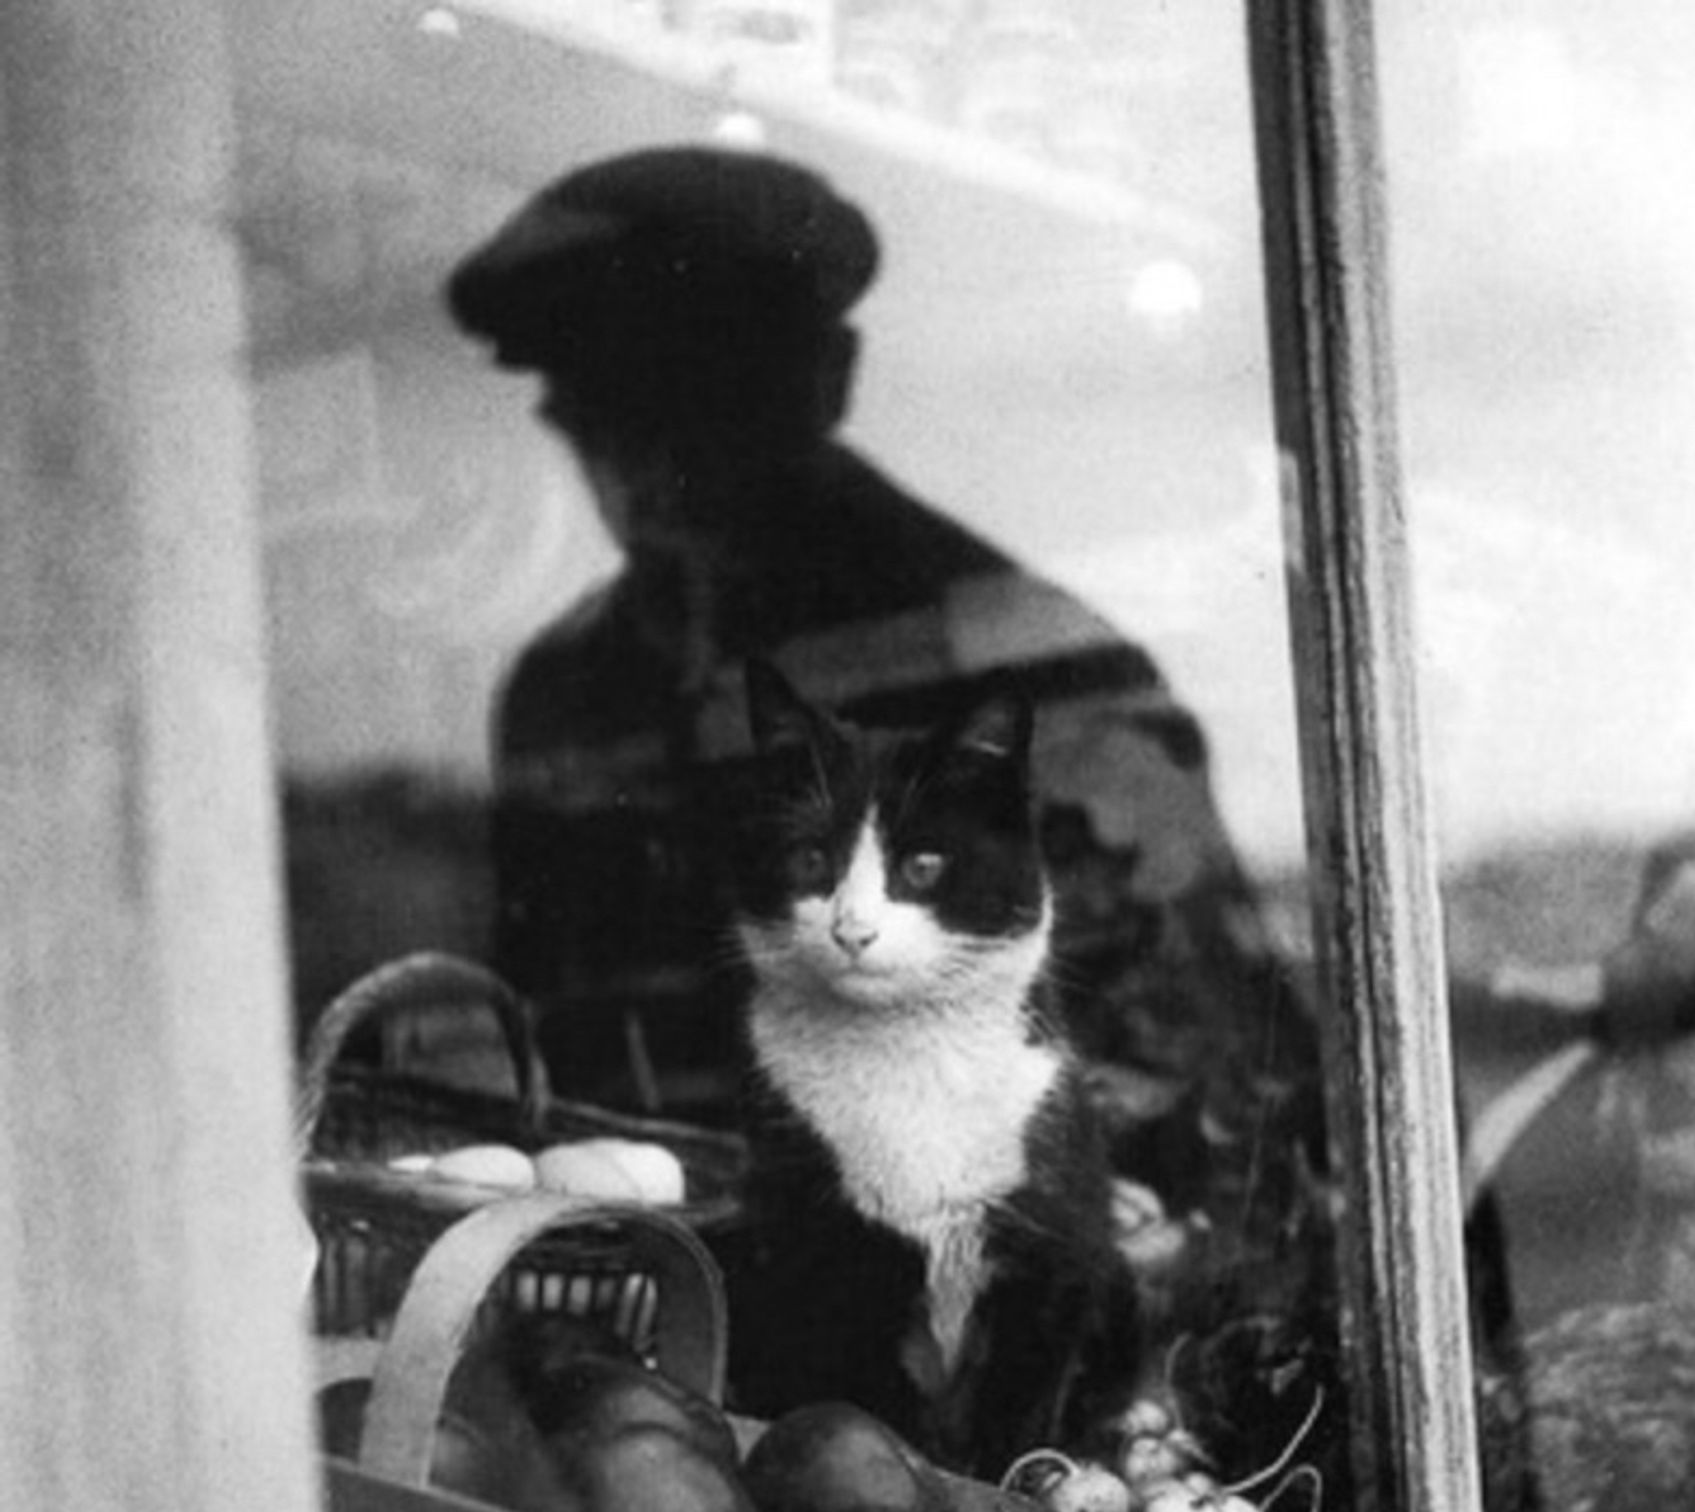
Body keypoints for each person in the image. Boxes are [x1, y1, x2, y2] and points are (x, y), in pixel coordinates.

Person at [445, 145, 1317, 1245]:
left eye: (692, 401)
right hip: (652, 1310)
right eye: (606, 419)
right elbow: (545, 1023)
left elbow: (1211, 1081)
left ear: (824, 378)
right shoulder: (569, 690)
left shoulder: (1014, 659)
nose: (643, 465)